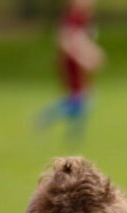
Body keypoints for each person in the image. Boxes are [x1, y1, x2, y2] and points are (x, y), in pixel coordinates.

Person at [35, 0, 106, 143]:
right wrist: (84, 58)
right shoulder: (72, 18)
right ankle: (48, 117)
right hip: (72, 62)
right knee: (80, 98)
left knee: (83, 98)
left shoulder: (84, 17)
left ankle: (74, 135)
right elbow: (67, 41)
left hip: (78, 62)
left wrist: (94, 53)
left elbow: (85, 40)